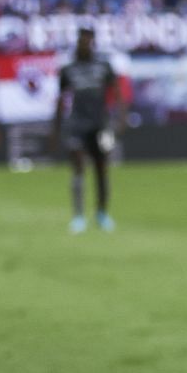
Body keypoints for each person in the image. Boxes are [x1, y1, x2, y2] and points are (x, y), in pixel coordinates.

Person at [54, 27, 123, 233]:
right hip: (77, 126)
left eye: (88, 41)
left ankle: (102, 213)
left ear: (93, 42)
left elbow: (118, 93)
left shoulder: (104, 67)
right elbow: (60, 99)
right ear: (78, 43)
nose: (85, 45)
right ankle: (78, 216)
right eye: (82, 41)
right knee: (78, 168)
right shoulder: (69, 69)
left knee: (102, 168)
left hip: (101, 125)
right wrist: (56, 127)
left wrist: (120, 119)